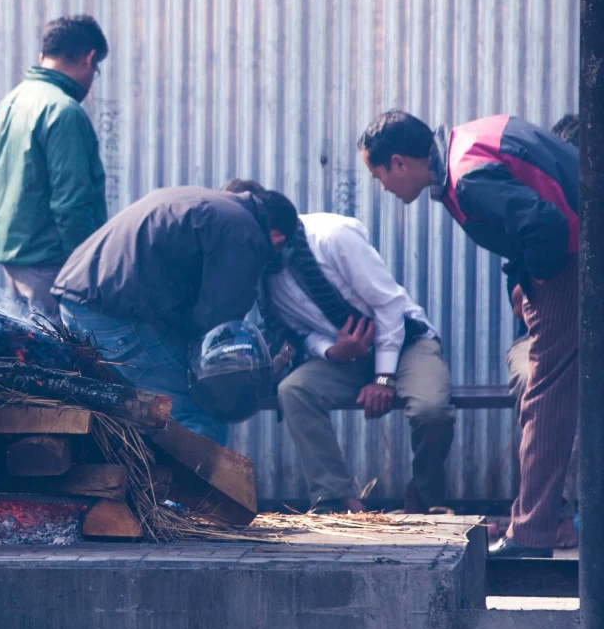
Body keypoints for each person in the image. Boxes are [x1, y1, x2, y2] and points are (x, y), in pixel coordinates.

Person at [359, 109, 579, 559]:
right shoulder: (472, 139)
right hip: (578, 244)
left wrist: (535, 282)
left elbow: (547, 226)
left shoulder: (468, 177)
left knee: (546, 396)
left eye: (379, 175)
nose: (382, 187)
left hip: (571, 260)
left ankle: (531, 535)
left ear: (400, 163)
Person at [227, 177, 455, 514]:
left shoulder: (332, 236)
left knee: (431, 411)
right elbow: (298, 332)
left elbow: (388, 305)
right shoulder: (262, 271)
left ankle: (425, 494)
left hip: (404, 341)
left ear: (276, 233)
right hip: (346, 355)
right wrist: (334, 351)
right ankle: (337, 499)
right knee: (294, 390)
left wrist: (383, 378)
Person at [53, 184, 299, 444]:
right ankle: (197, 485)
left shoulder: (208, 203)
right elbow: (217, 323)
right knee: (202, 408)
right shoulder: (244, 232)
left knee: (142, 406)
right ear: (277, 239)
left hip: (79, 298)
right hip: (109, 314)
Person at [0, 14, 109, 316]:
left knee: (23, 355)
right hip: (53, 269)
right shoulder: (64, 111)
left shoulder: (9, 104)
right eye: (96, 69)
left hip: (14, 264)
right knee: (62, 359)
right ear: (89, 58)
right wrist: (86, 270)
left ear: (44, 55)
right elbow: (72, 204)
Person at [500, 113, 580, 548]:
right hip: (538, 339)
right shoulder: (537, 209)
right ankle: (553, 511)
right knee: (538, 382)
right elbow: (521, 298)